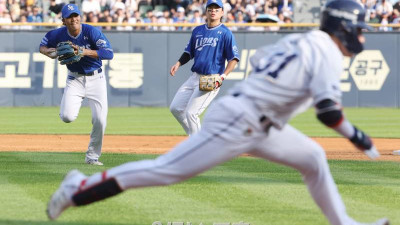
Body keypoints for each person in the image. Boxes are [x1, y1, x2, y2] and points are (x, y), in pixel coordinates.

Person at [46, 1, 389, 225]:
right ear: (343, 26)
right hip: (241, 121)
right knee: (166, 170)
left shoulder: (306, 40)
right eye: (359, 28)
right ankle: (78, 187)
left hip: (257, 119)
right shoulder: (327, 51)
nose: (361, 36)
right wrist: (357, 136)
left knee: (313, 157)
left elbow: (263, 64)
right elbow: (328, 112)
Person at [39, 4, 114, 166]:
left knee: (100, 120)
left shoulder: (91, 32)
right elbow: (42, 45)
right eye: (69, 17)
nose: (73, 19)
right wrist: (48, 52)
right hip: (75, 79)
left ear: (80, 17)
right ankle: (65, 109)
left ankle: (92, 157)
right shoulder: (57, 34)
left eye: (75, 16)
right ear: (63, 20)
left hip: (96, 79)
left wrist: (83, 51)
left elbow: (109, 53)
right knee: (67, 117)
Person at [169, 0, 240, 135]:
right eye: (210, 8)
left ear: (222, 12)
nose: (213, 11)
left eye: (216, 9)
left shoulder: (225, 33)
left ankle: (197, 147)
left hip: (212, 78)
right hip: (194, 76)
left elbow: (233, 59)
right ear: (206, 11)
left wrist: (222, 76)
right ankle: (196, 138)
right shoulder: (198, 30)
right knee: (175, 108)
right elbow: (189, 52)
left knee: (191, 113)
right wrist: (178, 63)